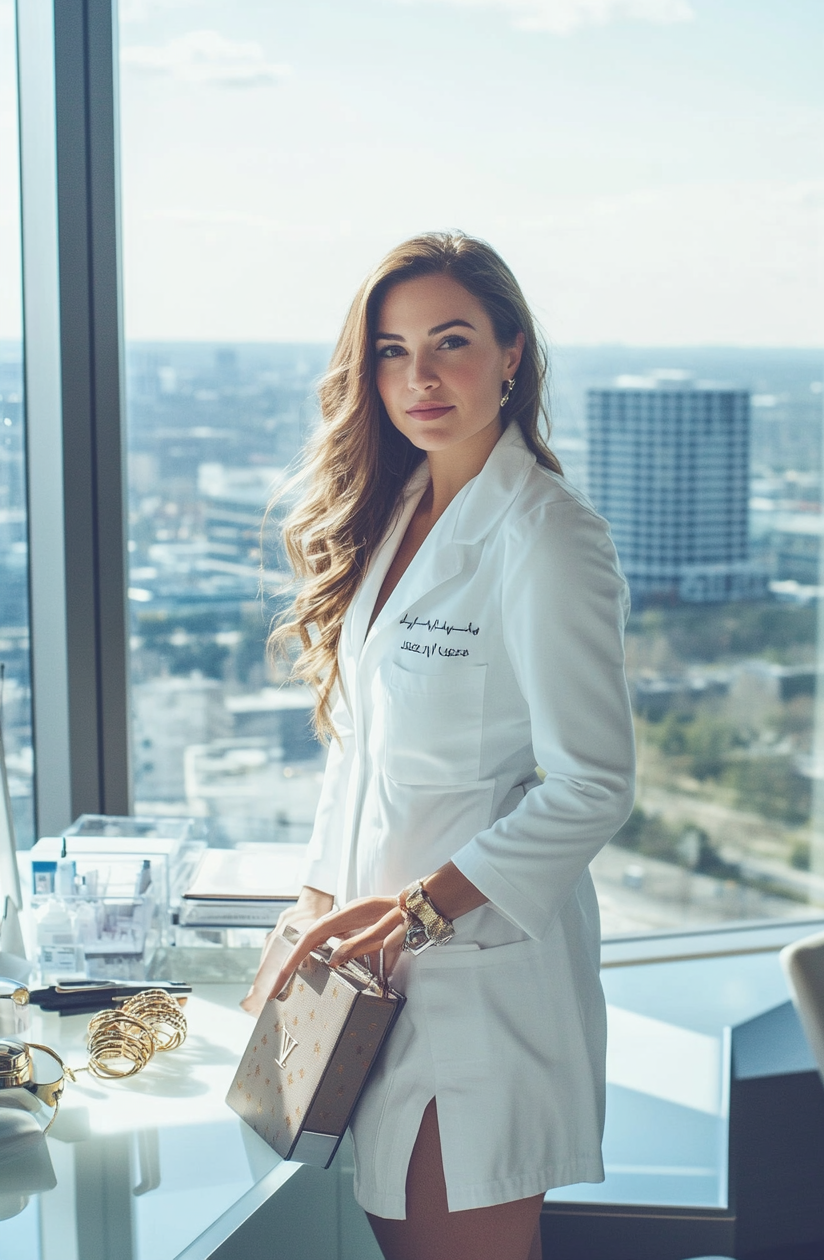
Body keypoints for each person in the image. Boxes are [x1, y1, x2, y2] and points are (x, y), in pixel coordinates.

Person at [246, 231, 636, 1260]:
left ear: (511, 353)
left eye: (450, 342)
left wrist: (422, 906)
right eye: (389, 349)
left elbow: (593, 786)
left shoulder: (545, 534)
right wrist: (316, 904)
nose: (417, 377)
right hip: (367, 979)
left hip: (474, 982)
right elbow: (361, 751)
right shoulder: (399, 511)